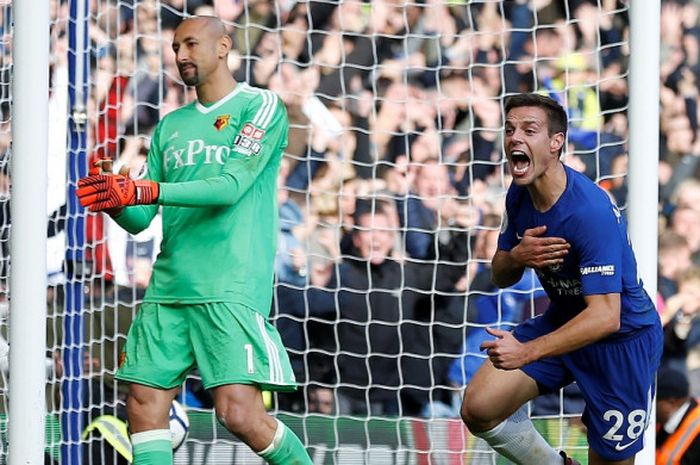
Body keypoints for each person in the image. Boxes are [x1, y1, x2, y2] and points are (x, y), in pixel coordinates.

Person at [76, 16, 312, 465]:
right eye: (175, 47)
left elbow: (230, 185)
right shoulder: (171, 127)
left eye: (190, 44)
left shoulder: (260, 106)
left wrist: (147, 190)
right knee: (144, 406)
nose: (181, 55)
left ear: (223, 46)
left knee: (239, 413)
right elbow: (141, 218)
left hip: (229, 284)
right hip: (169, 286)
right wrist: (115, 198)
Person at [459, 93, 663, 465]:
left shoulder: (589, 211)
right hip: (565, 320)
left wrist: (526, 351)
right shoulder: (518, 195)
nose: (514, 138)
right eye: (509, 129)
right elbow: (502, 275)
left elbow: (606, 316)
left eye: (529, 129)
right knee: (479, 408)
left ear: (556, 143)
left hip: (621, 342)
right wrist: (517, 255)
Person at [655, 365, 700, 465]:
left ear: (671, 402)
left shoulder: (697, 437)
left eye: (653, 403)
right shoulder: (668, 420)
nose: (650, 409)